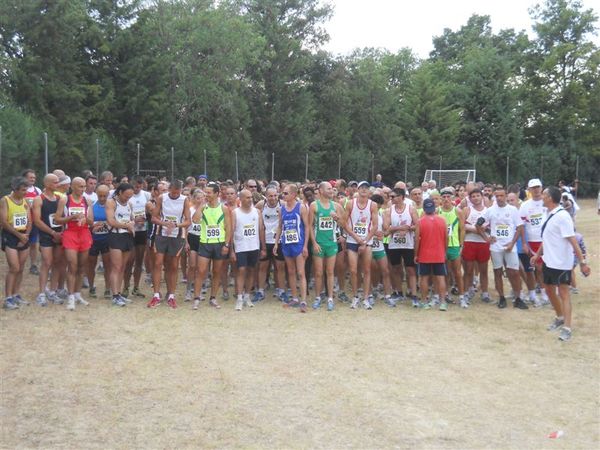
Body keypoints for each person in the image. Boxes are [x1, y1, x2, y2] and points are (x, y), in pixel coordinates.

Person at [531, 186, 590, 341]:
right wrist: (537, 254)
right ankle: (559, 317)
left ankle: (567, 328)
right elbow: (547, 238)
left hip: (562, 263)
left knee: (563, 294)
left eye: (544, 194)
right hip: (548, 261)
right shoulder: (547, 214)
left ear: (550, 198)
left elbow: (573, 241)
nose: (541, 197)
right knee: (549, 291)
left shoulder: (563, 216)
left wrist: (583, 262)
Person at [481, 187, 528, 309]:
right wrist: (486, 238)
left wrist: (513, 243)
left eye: (501, 196)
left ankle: (518, 298)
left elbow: (519, 227)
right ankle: (501, 297)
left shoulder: (512, 210)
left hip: (509, 246)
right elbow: (478, 224)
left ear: (506, 196)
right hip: (495, 247)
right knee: (497, 271)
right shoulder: (490, 210)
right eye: (497, 196)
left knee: (515, 272)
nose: (499, 198)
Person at [148, 180, 191, 308]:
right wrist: (165, 224)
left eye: (177, 193)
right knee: (157, 263)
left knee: (173, 265)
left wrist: (176, 225)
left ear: (180, 191)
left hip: (177, 236)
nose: (174, 195)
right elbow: (153, 218)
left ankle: (171, 295)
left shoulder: (184, 200)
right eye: (172, 193)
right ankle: (156, 295)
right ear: (169, 190)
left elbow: (188, 221)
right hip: (161, 234)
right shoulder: (162, 198)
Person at [54, 177, 93, 310]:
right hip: (70, 233)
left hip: (84, 233)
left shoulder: (87, 200)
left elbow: (91, 221)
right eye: (80, 186)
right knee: (72, 265)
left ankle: (77, 294)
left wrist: (84, 218)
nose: (82, 189)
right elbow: (57, 219)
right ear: (72, 187)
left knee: (82, 266)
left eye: (84, 186)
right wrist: (72, 217)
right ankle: (70, 296)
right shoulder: (65, 200)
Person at [191, 182, 231, 310]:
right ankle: (196, 298)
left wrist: (226, 244)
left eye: (208, 192)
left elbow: (229, 227)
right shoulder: (203, 207)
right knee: (201, 271)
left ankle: (213, 297)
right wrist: (201, 206)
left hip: (219, 244)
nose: (206, 195)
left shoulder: (224, 208)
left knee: (217, 272)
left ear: (216, 194)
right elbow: (195, 220)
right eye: (205, 192)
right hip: (205, 243)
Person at [307, 181, 346, 311]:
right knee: (318, 273)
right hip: (319, 243)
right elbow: (310, 226)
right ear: (321, 191)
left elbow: (343, 224)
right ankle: (318, 297)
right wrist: (314, 243)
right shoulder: (314, 206)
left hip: (331, 243)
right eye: (329, 189)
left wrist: (337, 219)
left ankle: (330, 298)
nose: (332, 191)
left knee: (330, 272)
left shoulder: (336, 206)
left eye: (332, 189)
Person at [274, 183, 309, 313]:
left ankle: (304, 300)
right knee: (291, 272)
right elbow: (279, 226)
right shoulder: (282, 209)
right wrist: (277, 243)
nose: (283, 195)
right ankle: (294, 298)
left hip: (298, 244)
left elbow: (307, 227)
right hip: (286, 243)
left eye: (286, 193)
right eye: (283, 193)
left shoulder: (301, 208)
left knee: (301, 272)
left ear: (294, 194)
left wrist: (305, 246)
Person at [344, 181, 379, 309]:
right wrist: (357, 238)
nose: (364, 190)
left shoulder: (373, 205)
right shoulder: (350, 204)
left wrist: (365, 241)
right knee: (353, 270)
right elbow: (345, 223)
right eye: (362, 188)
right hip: (353, 240)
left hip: (367, 241)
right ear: (357, 190)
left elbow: (375, 225)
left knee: (366, 270)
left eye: (366, 188)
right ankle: (355, 296)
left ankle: (365, 298)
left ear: (369, 191)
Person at [32, 174, 64, 306]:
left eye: (58, 182)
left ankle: (52, 291)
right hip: (46, 234)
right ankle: (41, 293)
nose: (58, 184)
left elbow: (63, 217)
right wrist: (51, 232)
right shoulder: (38, 199)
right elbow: (37, 221)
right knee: (47, 262)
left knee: (57, 263)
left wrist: (61, 232)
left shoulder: (59, 198)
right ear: (47, 184)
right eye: (55, 182)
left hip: (58, 234)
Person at [384, 187, 419, 307]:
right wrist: (400, 228)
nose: (391, 199)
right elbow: (386, 228)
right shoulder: (389, 211)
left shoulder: (411, 209)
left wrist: (408, 228)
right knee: (396, 269)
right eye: (390, 196)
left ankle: (414, 294)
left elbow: (417, 225)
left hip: (408, 244)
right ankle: (398, 292)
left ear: (401, 197)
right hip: (394, 245)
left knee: (410, 269)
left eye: (393, 196)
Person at [230, 190, 265, 310]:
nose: (250, 199)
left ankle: (247, 296)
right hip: (240, 246)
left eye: (251, 197)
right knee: (241, 270)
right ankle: (239, 297)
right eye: (247, 197)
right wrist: (231, 250)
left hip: (254, 246)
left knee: (251, 270)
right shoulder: (235, 213)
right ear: (241, 199)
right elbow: (231, 232)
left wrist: (263, 247)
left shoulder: (257, 212)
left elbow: (261, 230)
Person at [1, 177, 32, 309]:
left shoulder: (25, 202)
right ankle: (7, 298)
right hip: (11, 236)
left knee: (21, 268)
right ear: (15, 189)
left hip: (23, 235)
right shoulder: (5, 200)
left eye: (27, 189)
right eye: (23, 190)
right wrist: (19, 236)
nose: (26, 192)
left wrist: (26, 235)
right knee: (14, 267)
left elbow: (29, 220)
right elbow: (4, 222)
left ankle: (16, 294)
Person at [414, 198, 448, 310]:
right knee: (440, 278)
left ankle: (424, 301)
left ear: (424, 209)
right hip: (439, 254)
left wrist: (416, 254)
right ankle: (442, 302)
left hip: (424, 254)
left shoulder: (420, 222)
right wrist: (444, 251)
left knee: (424, 278)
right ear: (434, 208)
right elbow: (446, 238)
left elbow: (417, 240)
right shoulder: (442, 220)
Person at [105, 183, 136, 306]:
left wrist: (132, 224)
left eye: (130, 196)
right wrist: (126, 225)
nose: (128, 198)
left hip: (127, 236)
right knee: (116, 266)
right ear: (119, 192)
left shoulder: (129, 204)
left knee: (123, 267)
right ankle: (115, 295)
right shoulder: (111, 202)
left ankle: (119, 293)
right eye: (126, 195)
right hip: (116, 236)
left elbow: (132, 218)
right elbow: (110, 220)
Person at [519, 178, 549, 305]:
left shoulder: (548, 202)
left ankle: (550, 290)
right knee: (538, 268)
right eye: (533, 188)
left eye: (538, 187)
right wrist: (524, 243)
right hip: (532, 241)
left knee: (547, 267)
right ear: (529, 190)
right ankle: (543, 292)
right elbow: (521, 226)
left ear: (541, 188)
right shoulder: (525, 205)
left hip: (547, 240)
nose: (536, 190)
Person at [255, 186, 287, 302]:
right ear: (266, 196)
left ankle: (281, 291)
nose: (273, 198)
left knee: (280, 267)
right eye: (270, 196)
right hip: (265, 240)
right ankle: (260, 291)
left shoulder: (283, 204)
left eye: (275, 195)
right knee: (263, 267)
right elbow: (255, 220)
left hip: (279, 241)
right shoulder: (260, 205)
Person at [461, 189, 491, 304]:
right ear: (470, 198)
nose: (476, 198)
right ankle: (467, 291)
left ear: (482, 197)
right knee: (468, 269)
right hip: (470, 242)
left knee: (483, 270)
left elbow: (490, 227)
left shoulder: (488, 211)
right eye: (473, 196)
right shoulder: (467, 210)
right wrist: (476, 229)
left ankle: (485, 292)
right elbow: (462, 226)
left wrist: (478, 230)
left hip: (483, 243)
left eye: (478, 195)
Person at [438, 187, 467, 308]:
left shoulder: (458, 211)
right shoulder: (437, 211)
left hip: (454, 246)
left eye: (448, 197)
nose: (446, 199)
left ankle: (462, 297)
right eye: (443, 197)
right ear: (440, 199)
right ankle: (446, 294)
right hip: (441, 246)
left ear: (452, 198)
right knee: (445, 272)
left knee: (457, 273)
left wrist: (461, 245)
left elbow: (462, 229)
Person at [123, 176, 150, 298]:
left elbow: (151, 212)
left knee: (139, 261)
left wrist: (145, 219)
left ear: (143, 186)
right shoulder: (127, 196)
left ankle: (136, 287)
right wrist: (134, 220)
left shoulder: (146, 195)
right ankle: (125, 287)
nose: (137, 189)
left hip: (142, 231)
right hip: (130, 231)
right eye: (135, 186)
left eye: (139, 187)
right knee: (129, 261)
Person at [87, 185, 112, 300]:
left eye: (105, 196)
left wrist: (108, 224)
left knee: (108, 265)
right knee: (91, 264)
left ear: (108, 195)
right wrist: (93, 226)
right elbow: (89, 223)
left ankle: (108, 288)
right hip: (94, 240)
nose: (102, 198)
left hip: (107, 239)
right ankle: (91, 286)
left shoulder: (111, 206)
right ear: (96, 194)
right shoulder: (91, 206)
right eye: (100, 195)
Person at [184, 189, 205, 301]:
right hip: (192, 238)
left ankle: (199, 290)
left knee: (201, 267)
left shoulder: (206, 210)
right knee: (192, 265)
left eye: (202, 198)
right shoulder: (190, 210)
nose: (200, 200)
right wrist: (186, 242)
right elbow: (186, 227)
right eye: (198, 198)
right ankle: (188, 290)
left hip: (203, 239)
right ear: (194, 199)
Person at [22, 169, 42, 276]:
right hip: (21, 222)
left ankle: (33, 265)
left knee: (33, 243)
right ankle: (19, 263)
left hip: (34, 221)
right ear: (25, 178)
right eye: (30, 177)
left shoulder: (37, 190)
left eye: (34, 178)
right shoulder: (18, 190)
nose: (33, 179)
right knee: (22, 242)